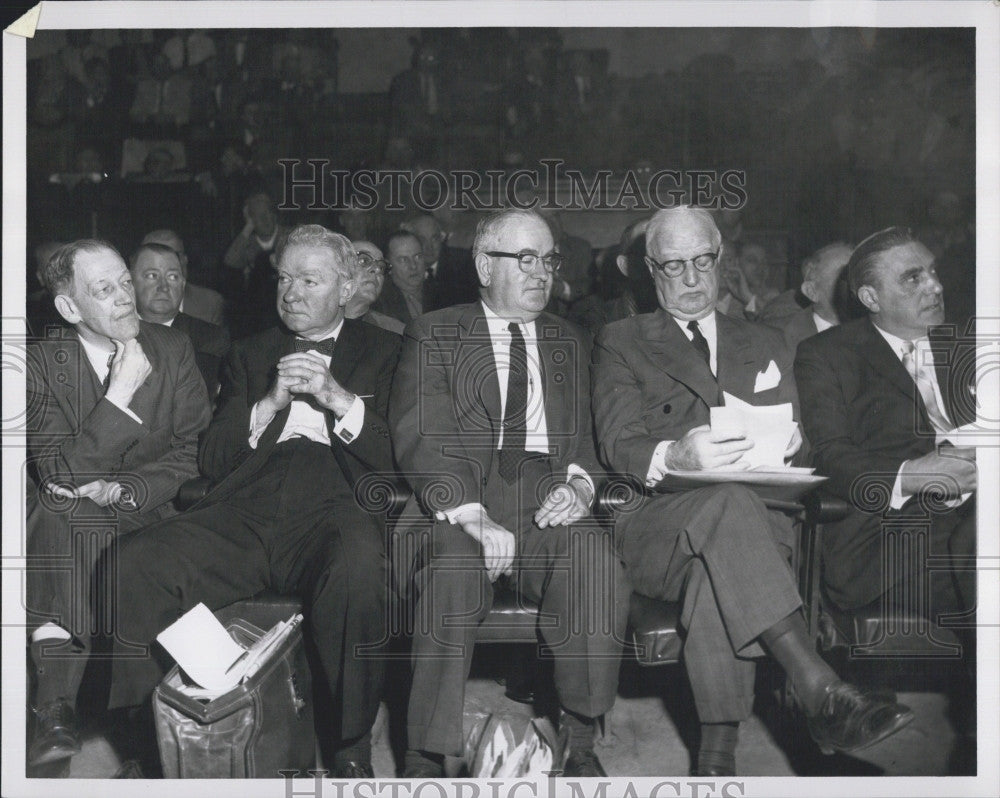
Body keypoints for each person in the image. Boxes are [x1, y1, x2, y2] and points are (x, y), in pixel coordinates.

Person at [591, 207, 913, 777]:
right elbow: (619, 443)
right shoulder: (621, 341)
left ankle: (715, 764)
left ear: (720, 260)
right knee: (726, 507)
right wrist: (676, 455)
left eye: (702, 261)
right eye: (672, 266)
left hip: (757, 530)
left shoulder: (768, 341)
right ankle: (819, 688)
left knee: (717, 573)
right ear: (649, 268)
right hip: (657, 528)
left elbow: (818, 446)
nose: (691, 279)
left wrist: (798, 444)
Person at [107, 225, 399, 779]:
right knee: (133, 562)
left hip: (337, 505)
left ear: (346, 288)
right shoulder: (250, 352)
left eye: (309, 281)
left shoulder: (389, 351)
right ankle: (148, 745)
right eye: (284, 278)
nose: (290, 293)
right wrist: (267, 405)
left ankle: (350, 745)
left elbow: (401, 457)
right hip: (247, 505)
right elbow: (213, 458)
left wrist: (339, 399)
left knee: (360, 571)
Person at [390, 208, 629, 778]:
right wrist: (471, 514)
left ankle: (579, 735)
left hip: (545, 498)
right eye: (524, 259)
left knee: (594, 560)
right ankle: (426, 755)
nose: (541, 272)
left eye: (548, 259)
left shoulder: (571, 339)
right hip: (459, 502)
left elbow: (592, 444)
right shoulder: (436, 332)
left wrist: (578, 486)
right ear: (482, 265)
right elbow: (419, 436)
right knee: (451, 574)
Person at [25, 240, 211, 770]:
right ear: (69, 309)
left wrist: (124, 489)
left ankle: (59, 703)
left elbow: (192, 450)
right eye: (104, 290)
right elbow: (57, 473)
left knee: (70, 515)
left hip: (152, 511)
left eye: (124, 281)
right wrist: (118, 398)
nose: (126, 297)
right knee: (65, 512)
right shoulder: (38, 363)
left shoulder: (172, 348)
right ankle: (61, 708)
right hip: (75, 517)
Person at [794, 226, 977, 622]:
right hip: (895, 539)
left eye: (932, 271)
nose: (935, 286)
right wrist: (911, 475)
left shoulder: (970, 345)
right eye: (914, 278)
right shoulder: (827, 355)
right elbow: (828, 457)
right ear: (870, 297)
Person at [130, 242, 231, 397]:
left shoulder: (212, 340)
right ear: (130, 283)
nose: (163, 286)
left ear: (183, 284)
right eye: (152, 275)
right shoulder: (113, 337)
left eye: (172, 277)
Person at [763, 241, 853, 351]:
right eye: (844, 275)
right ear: (812, 292)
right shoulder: (777, 337)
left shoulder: (873, 331)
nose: (858, 283)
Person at [141, 228, 226, 327]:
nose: (165, 264)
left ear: (184, 260)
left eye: (174, 255)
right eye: (154, 257)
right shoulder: (126, 302)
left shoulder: (210, 303)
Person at [400, 212, 478, 309]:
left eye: (434, 239)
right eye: (422, 239)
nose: (429, 247)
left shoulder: (463, 266)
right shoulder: (401, 269)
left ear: (442, 238)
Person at [344, 240, 405, 334]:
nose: (377, 270)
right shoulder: (314, 324)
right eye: (364, 261)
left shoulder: (396, 332)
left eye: (381, 267)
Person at [372, 230, 428, 325]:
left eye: (418, 256)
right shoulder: (379, 304)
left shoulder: (444, 293)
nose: (413, 266)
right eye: (403, 260)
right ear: (388, 265)